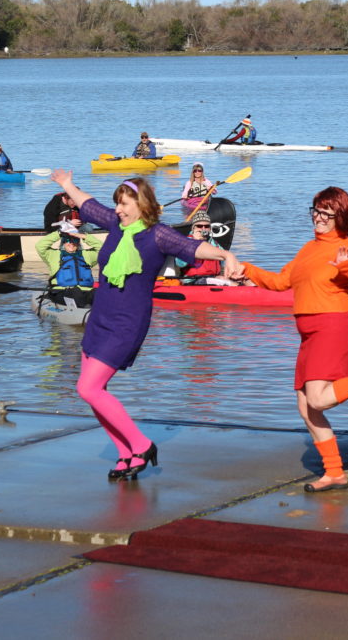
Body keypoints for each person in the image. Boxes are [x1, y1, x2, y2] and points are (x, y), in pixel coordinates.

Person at [51, 168, 240, 481]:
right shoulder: (115, 224)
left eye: (125, 204)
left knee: (89, 388)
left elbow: (191, 248)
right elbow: (89, 205)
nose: (119, 209)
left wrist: (224, 254)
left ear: (142, 205)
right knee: (93, 390)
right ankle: (126, 453)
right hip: (100, 317)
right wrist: (67, 184)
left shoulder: (158, 234)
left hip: (128, 322)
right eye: (118, 203)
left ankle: (141, 444)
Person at [234, 187, 348, 493]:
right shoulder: (308, 249)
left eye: (327, 212)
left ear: (341, 217)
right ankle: (334, 473)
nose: (319, 217)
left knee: (318, 399)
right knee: (306, 408)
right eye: (316, 209)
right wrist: (247, 269)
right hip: (308, 333)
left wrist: (347, 267)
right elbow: (281, 282)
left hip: (333, 325)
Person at [34, 205, 103, 308]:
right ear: (63, 243)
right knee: (76, 292)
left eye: (74, 240)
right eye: (67, 241)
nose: (71, 243)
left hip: (86, 292)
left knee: (102, 293)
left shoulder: (87, 255)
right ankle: (84, 312)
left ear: (78, 242)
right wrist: (60, 233)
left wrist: (83, 236)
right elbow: (40, 246)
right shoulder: (53, 255)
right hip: (61, 292)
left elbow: (103, 249)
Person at [175, 211, 232, 285]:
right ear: (193, 228)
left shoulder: (213, 243)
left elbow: (223, 258)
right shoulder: (186, 242)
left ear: (210, 228)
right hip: (192, 281)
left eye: (206, 226)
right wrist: (195, 243)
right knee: (222, 281)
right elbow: (180, 263)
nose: (203, 229)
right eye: (199, 226)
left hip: (213, 278)